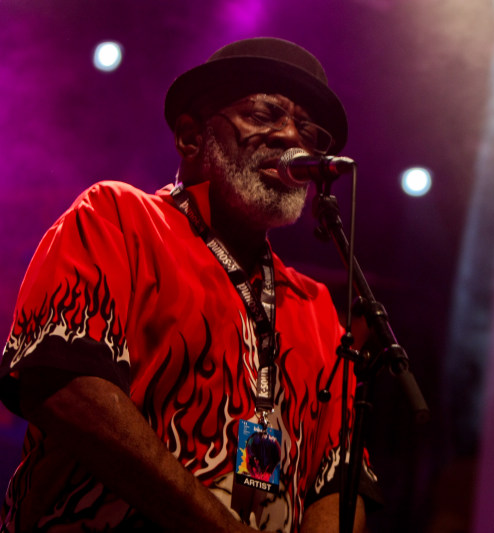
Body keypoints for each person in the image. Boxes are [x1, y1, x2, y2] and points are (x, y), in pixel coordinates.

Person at [0, 37, 380, 532]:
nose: (293, 138)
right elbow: (65, 390)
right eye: (265, 114)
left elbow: (337, 480)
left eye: (309, 131)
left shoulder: (315, 305)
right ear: (190, 137)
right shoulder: (118, 216)